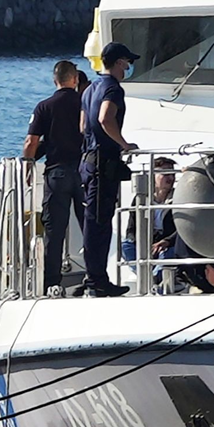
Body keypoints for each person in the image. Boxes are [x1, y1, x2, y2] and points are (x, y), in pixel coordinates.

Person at [79, 42, 139, 297]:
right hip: (103, 163)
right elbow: (105, 118)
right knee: (100, 222)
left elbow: (83, 126)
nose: (128, 67)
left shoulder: (90, 89)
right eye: (128, 62)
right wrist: (124, 144)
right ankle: (97, 280)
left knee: (93, 220)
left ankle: (94, 276)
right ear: (119, 62)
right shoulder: (113, 88)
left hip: (88, 160)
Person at [24, 60, 86, 294]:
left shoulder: (44, 106)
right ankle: (96, 275)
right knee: (90, 226)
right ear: (75, 79)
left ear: (54, 80)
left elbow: (31, 142)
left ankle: (51, 283)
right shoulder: (85, 104)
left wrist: (28, 166)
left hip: (57, 173)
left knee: (54, 230)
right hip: (84, 172)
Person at [121, 156, 177, 264]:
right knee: (125, 247)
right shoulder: (141, 199)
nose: (171, 178)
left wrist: (167, 241)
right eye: (166, 174)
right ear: (153, 176)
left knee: (168, 255)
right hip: (147, 241)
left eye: (173, 174)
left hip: (168, 243)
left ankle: (153, 273)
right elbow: (131, 228)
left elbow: (183, 230)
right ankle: (146, 271)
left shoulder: (178, 198)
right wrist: (138, 242)